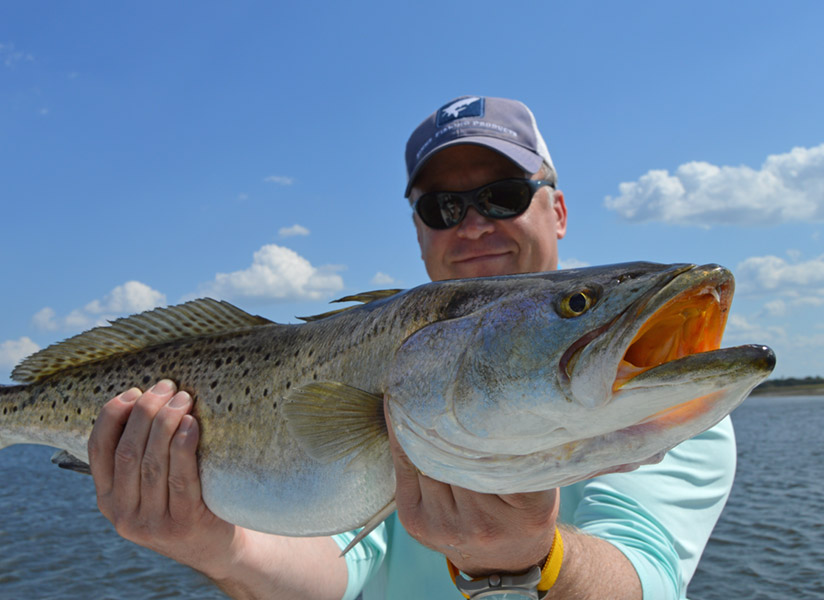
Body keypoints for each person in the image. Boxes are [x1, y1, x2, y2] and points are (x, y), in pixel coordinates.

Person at [87, 96, 736, 599]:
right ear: (419, 233)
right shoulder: (395, 362)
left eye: (503, 196)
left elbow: (648, 579)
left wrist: (532, 561)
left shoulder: (661, 392)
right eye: (442, 209)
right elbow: (348, 571)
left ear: (558, 211)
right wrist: (212, 546)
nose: (475, 224)